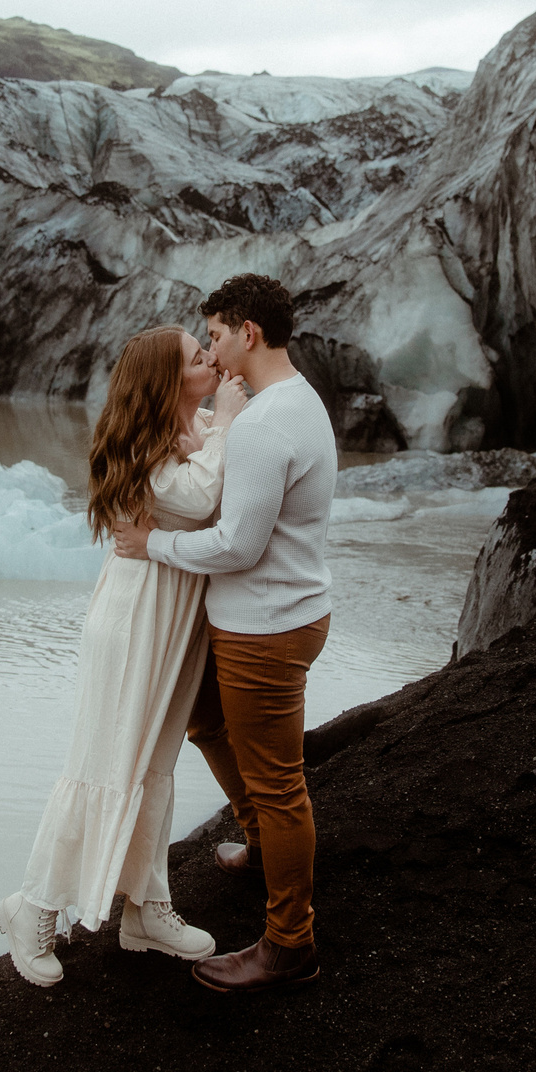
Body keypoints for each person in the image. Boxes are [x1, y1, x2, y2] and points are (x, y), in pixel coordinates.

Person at [0, 326, 248, 987]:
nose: (212, 360)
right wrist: (229, 422)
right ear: (169, 382)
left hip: (172, 623)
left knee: (153, 764)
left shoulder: (190, 431)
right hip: (135, 622)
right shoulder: (151, 441)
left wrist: (216, 421)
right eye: (199, 358)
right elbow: (199, 498)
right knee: (103, 762)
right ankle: (34, 905)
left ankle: (146, 907)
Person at [113, 272, 336, 993]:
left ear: (249, 332)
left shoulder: (268, 423)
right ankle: (268, 847)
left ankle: (288, 942)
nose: (210, 348)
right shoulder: (291, 403)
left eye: (214, 334)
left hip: (264, 628)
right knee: (208, 720)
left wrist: (153, 547)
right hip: (270, 615)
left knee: (279, 783)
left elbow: (238, 543)